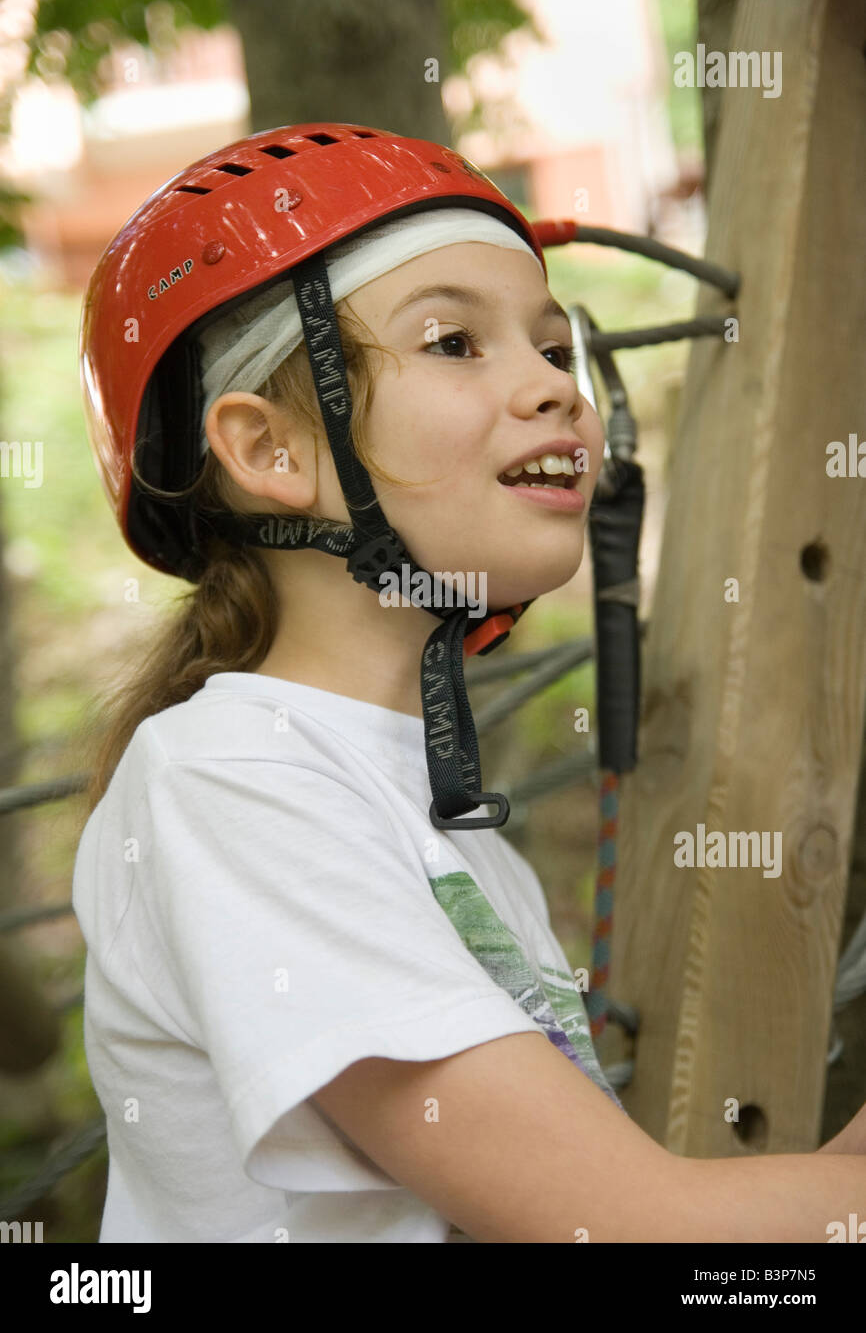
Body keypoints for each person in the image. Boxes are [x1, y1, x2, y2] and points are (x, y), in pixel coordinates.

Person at [73, 122, 865, 1244]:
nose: (552, 389)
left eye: (552, 347)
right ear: (271, 449)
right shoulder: (231, 784)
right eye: (453, 341)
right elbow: (640, 1227)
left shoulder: (451, 834)